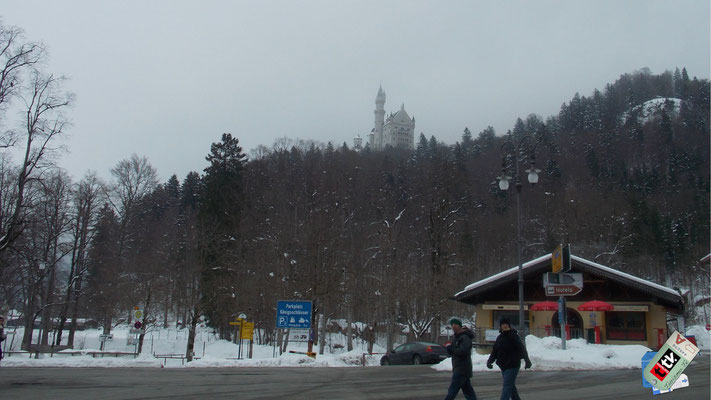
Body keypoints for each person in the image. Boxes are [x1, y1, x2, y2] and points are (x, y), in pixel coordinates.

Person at [486, 317, 532, 400]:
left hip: (513, 365)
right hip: (503, 365)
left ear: (509, 325)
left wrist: (527, 360)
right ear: (500, 326)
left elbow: (521, 348)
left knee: (507, 386)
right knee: (511, 387)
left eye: (507, 324)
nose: (505, 326)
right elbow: (495, 351)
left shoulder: (513, 335)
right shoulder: (499, 338)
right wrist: (490, 361)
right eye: (503, 324)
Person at [444, 318, 478, 400]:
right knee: (468, 391)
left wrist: (451, 349)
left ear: (460, 326)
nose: (453, 326)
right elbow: (453, 351)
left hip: (462, 368)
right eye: (452, 325)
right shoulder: (456, 337)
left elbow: (463, 351)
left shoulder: (465, 337)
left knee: (452, 391)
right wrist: (449, 348)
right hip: (459, 367)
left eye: (455, 324)